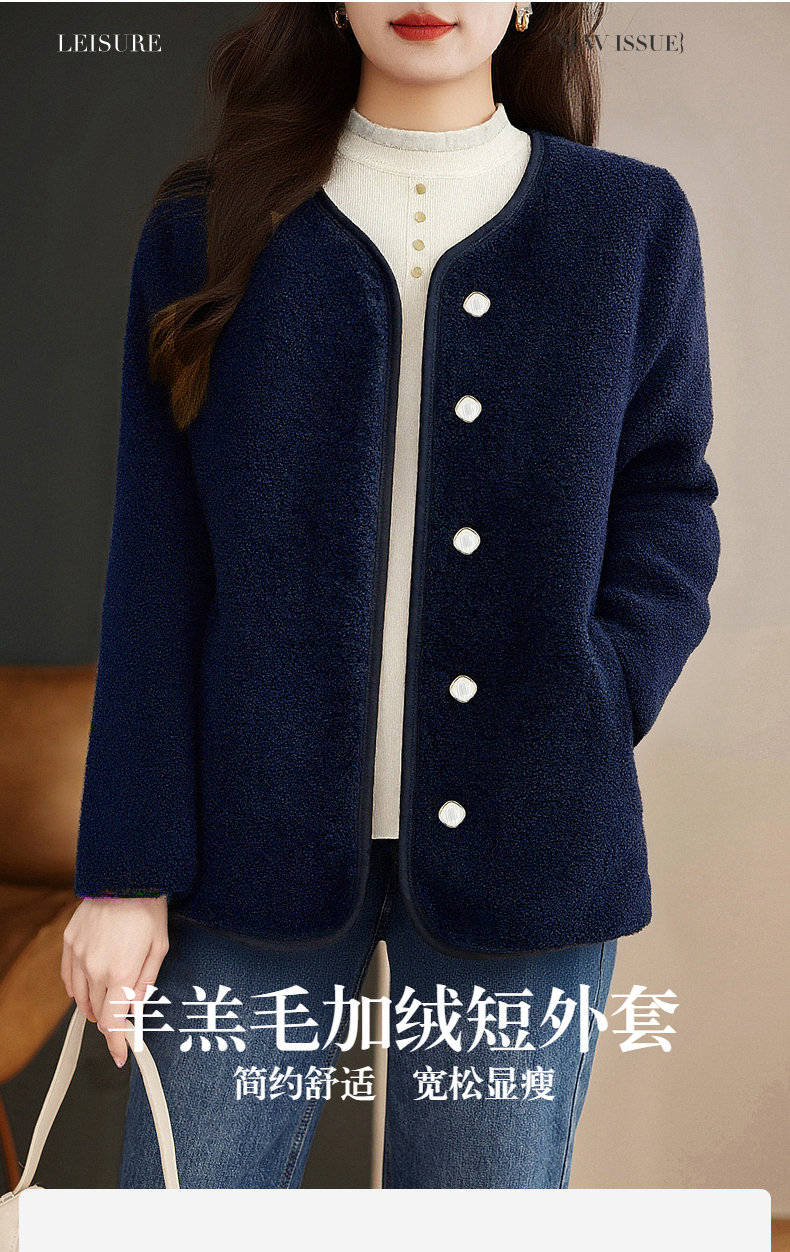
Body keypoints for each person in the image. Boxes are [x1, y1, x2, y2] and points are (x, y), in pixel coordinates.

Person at [61, 2, 720, 1189]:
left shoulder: (628, 224)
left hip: (528, 841)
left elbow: (667, 495)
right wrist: (123, 870)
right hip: (240, 844)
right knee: (183, 1216)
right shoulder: (205, 229)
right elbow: (156, 562)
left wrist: (601, 688)